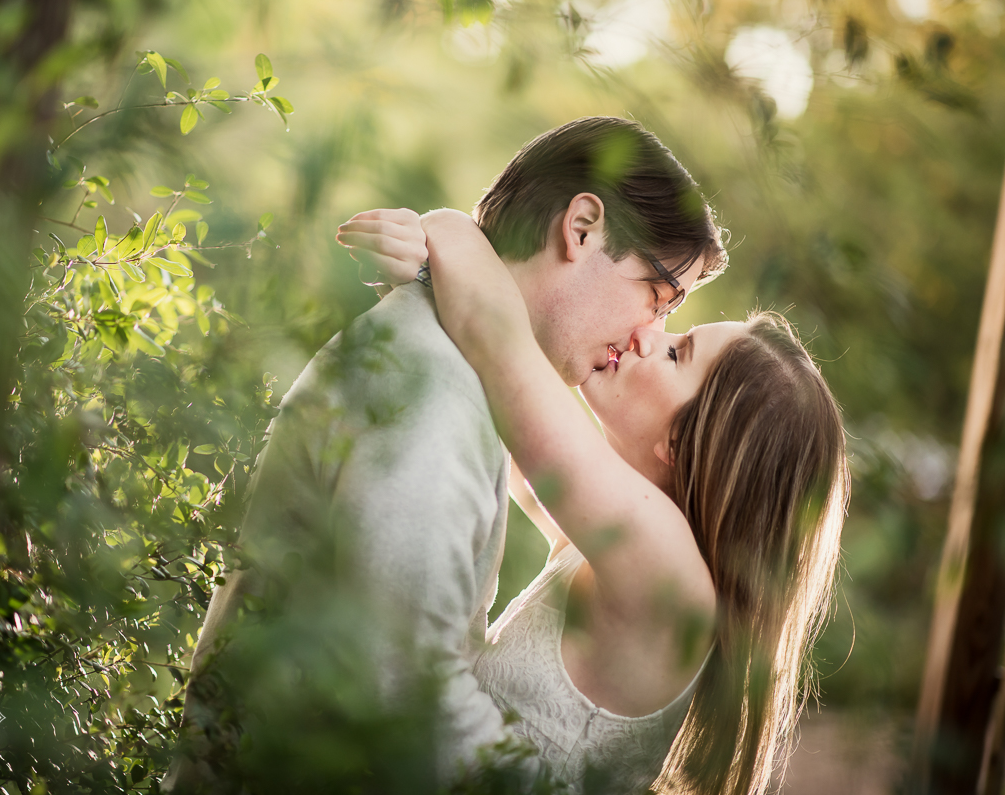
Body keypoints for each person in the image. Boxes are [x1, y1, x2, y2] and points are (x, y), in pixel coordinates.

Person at [165, 116, 728, 791]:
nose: (647, 333)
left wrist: (445, 239)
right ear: (581, 229)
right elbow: (407, 693)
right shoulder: (429, 389)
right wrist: (445, 237)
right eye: (658, 295)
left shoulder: (461, 375)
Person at [336, 207, 848, 795]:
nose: (647, 335)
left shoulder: (667, 577)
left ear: (681, 441)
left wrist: (446, 230)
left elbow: (497, 341)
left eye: (677, 353)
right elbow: (503, 416)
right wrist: (422, 262)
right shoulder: (623, 551)